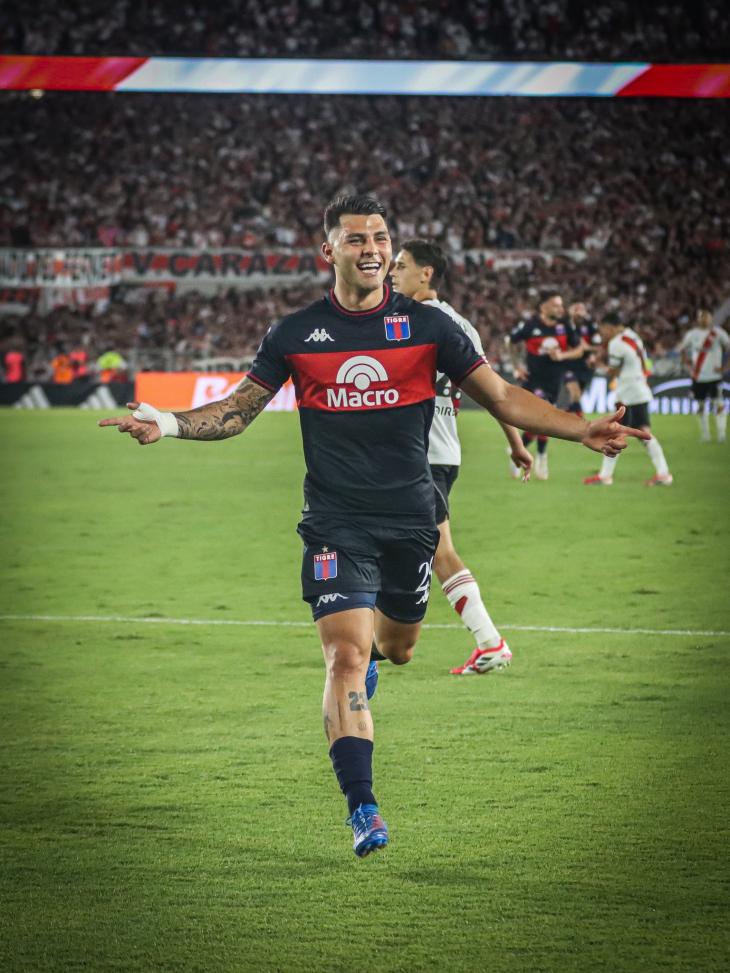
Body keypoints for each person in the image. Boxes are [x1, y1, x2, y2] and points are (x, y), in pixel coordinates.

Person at [99, 194, 648, 859]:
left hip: (412, 519)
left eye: (381, 238)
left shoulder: (428, 326)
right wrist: (170, 422)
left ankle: (374, 668)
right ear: (328, 251)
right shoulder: (295, 334)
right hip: (335, 522)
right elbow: (239, 410)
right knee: (344, 657)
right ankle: (362, 806)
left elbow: (502, 396)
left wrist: (580, 428)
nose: (372, 249)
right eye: (357, 239)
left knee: (398, 647)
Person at [390, 238, 530, 677]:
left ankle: (490, 642)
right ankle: (375, 638)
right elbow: (491, 391)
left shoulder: (413, 322)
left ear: (426, 273)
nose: (393, 272)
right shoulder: (462, 325)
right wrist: (515, 443)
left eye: (401, 265)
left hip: (420, 454)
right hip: (443, 452)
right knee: (403, 544)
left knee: (439, 551)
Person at [584, 311, 672, 486]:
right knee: (633, 432)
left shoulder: (616, 343)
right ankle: (662, 474)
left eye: (603, 329)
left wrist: (597, 365)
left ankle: (606, 476)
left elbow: (613, 371)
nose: (603, 333)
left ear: (611, 327)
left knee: (621, 432)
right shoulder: (632, 336)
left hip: (628, 393)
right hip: (639, 388)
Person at [507, 292, 584, 480]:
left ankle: (519, 449)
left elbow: (579, 349)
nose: (560, 309)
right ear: (543, 307)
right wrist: (517, 366)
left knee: (541, 423)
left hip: (554, 382)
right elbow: (511, 342)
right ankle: (540, 457)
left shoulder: (565, 326)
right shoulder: (530, 325)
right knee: (544, 415)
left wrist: (562, 355)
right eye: (556, 305)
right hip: (534, 380)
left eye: (561, 305)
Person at [677, 309, 729, 443]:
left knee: (718, 405)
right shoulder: (692, 334)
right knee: (700, 406)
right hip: (698, 377)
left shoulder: (718, 333)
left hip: (714, 377)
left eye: (706, 317)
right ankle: (705, 435)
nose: (704, 319)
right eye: (702, 317)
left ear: (711, 319)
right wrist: (687, 364)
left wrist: (725, 367)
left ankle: (721, 435)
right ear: (698, 319)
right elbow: (682, 349)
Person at [558, 302, 602, 417]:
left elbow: (598, 347)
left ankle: (569, 415)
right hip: (567, 364)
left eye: (582, 309)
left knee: (576, 398)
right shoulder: (562, 324)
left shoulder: (590, 325)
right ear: (570, 310)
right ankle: (580, 421)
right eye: (576, 309)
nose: (579, 312)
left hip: (584, 367)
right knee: (575, 393)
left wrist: (588, 350)